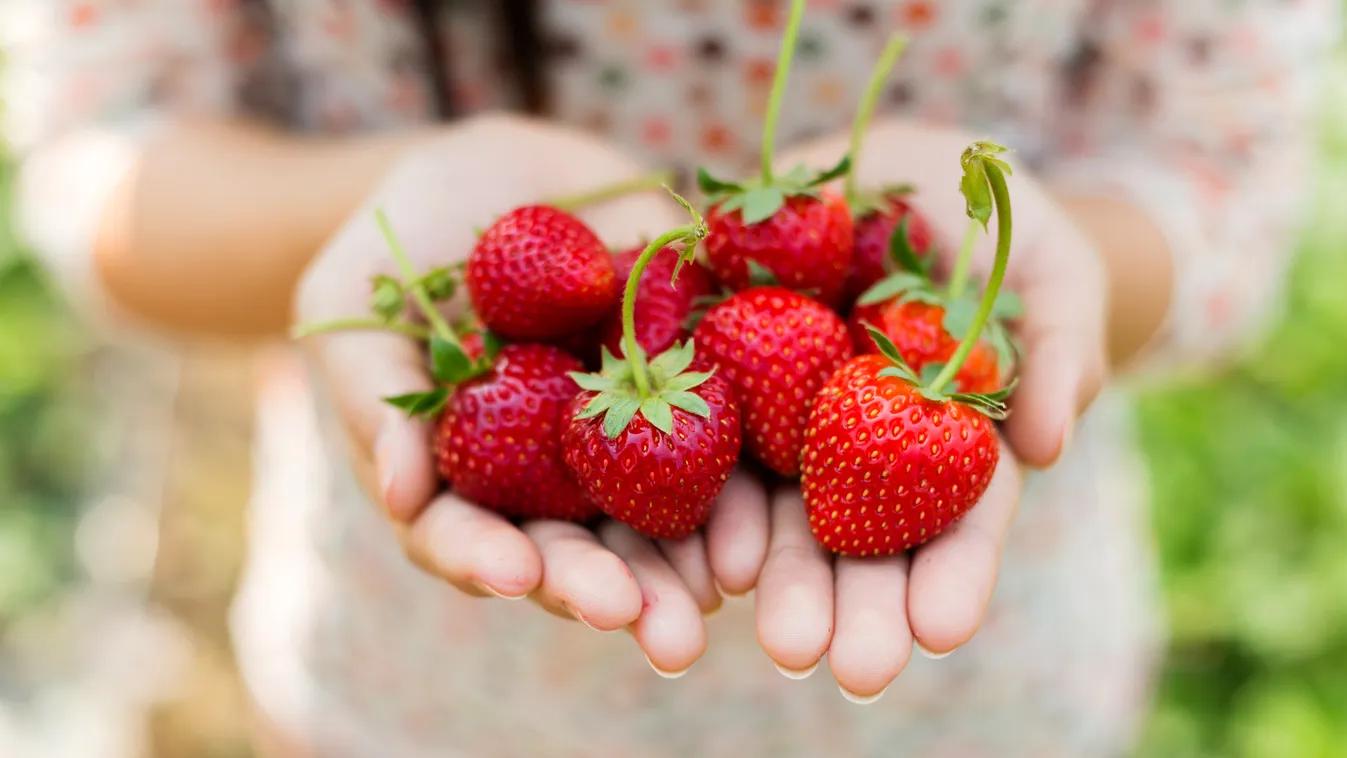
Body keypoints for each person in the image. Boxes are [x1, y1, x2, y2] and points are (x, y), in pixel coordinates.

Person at [2, 1, 1336, 756]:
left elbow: (1219, 173)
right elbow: (103, 143)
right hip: (435, 691)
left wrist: (1066, 271)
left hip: (963, 702)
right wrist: (371, 217)